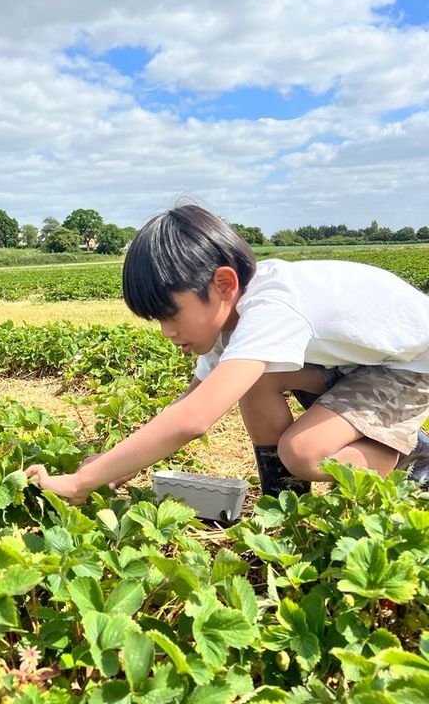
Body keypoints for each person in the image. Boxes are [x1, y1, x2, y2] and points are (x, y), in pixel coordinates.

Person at [26, 204, 429, 503]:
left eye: (171, 315)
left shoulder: (272, 306)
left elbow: (195, 420)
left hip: (408, 366)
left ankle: (415, 457)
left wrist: (83, 482)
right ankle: (283, 503)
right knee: (256, 382)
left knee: (303, 452)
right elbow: (189, 401)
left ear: (223, 284)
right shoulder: (229, 322)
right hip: (354, 365)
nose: (168, 333)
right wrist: (115, 468)